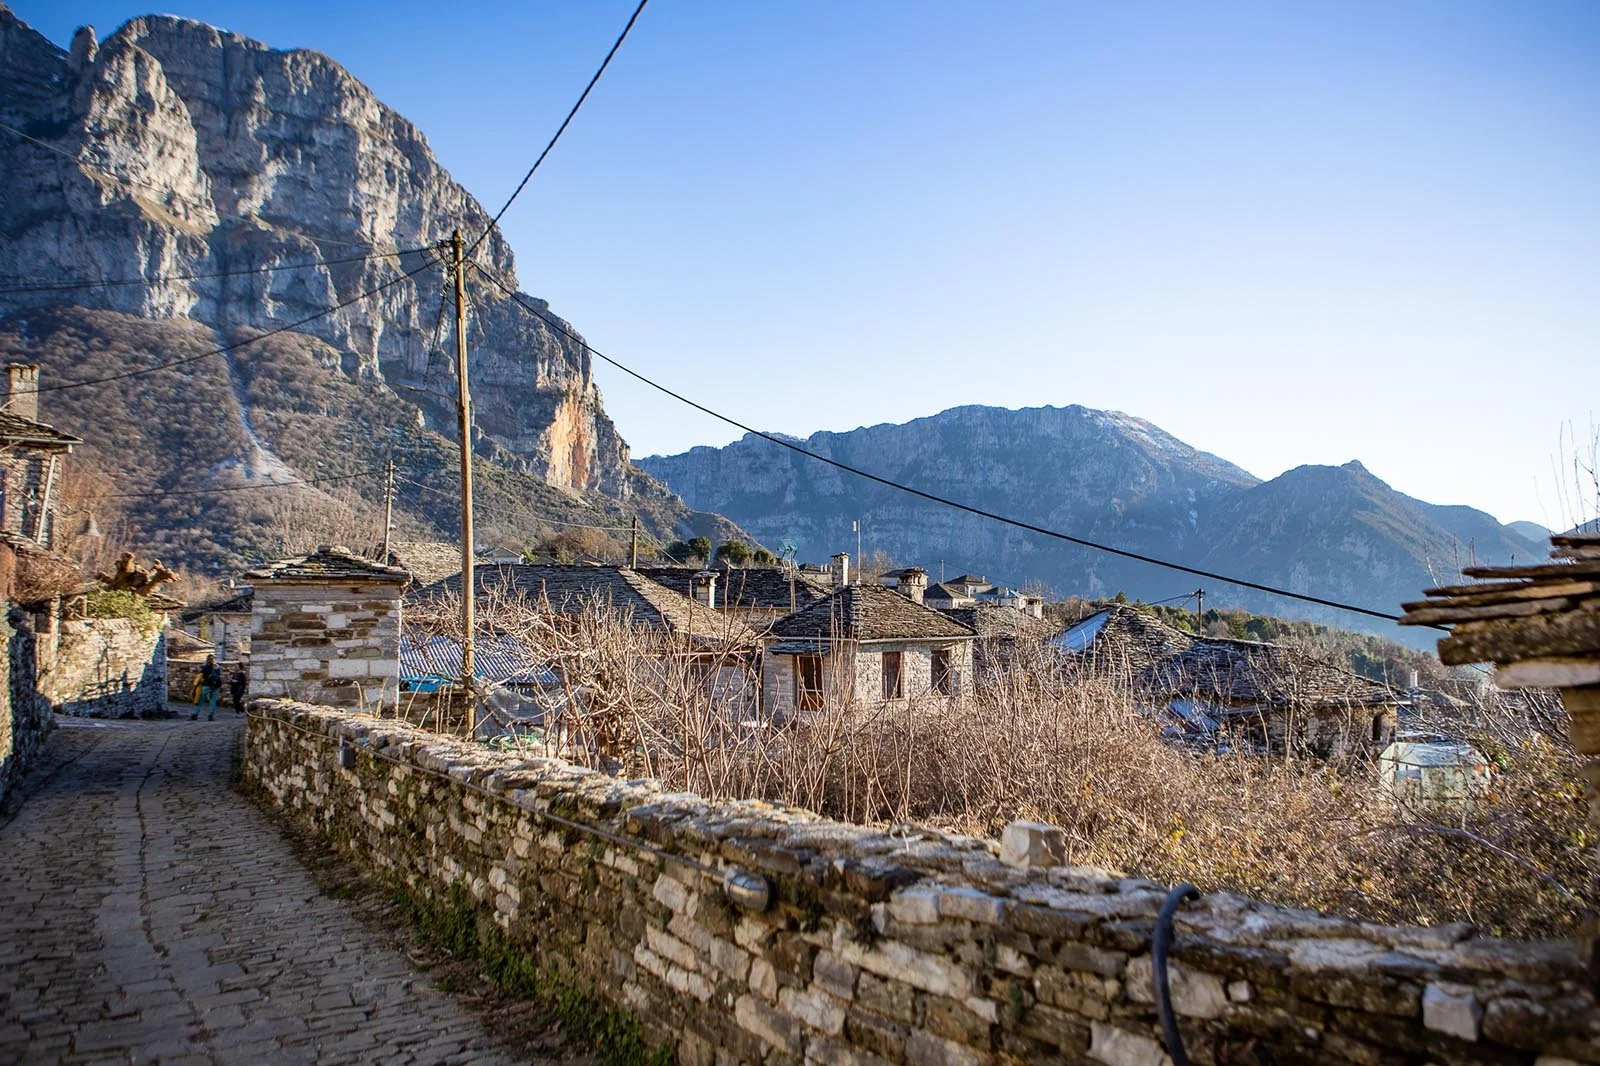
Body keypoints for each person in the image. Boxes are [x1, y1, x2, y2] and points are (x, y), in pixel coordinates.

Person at [192, 655, 222, 721]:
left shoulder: (204, 667)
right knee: (213, 701)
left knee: (200, 700)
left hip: (206, 685)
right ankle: (210, 715)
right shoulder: (217, 667)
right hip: (215, 686)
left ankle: (195, 714)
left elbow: (200, 676)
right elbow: (219, 676)